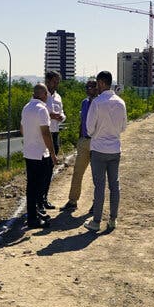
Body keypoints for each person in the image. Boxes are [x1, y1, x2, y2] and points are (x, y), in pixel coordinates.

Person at [85, 70, 127, 233]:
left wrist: (97, 134)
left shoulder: (97, 102)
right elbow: (123, 127)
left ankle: (96, 221)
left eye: (97, 83)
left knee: (99, 186)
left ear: (102, 83)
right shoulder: (120, 102)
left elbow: (89, 129)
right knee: (114, 185)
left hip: (99, 149)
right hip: (115, 149)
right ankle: (112, 219)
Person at [20, 83, 56, 228]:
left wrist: (30, 139)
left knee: (31, 185)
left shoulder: (26, 107)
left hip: (29, 152)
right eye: (46, 93)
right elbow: (46, 134)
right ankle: (33, 219)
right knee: (39, 186)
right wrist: (52, 153)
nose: (47, 96)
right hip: (40, 153)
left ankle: (32, 214)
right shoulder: (42, 110)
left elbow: (22, 129)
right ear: (42, 95)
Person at [62, 78, 97, 211]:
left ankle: (96, 203)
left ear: (97, 88)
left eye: (91, 87)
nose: (88, 89)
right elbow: (82, 122)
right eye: (87, 87)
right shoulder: (84, 103)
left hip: (96, 142)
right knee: (78, 171)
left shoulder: (100, 103)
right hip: (83, 141)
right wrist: (79, 139)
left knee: (96, 175)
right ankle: (72, 200)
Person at [43, 70, 65, 208]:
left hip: (55, 134)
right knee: (42, 169)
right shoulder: (41, 95)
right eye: (55, 81)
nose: (57, 84)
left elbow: (62, 112)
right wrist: (50, 115)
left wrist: (61, 117)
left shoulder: (58, 97)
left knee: (50, 168)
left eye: (58, 81)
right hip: (43, 135)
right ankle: (38, 200)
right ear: (48, 81)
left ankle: (44, 198)